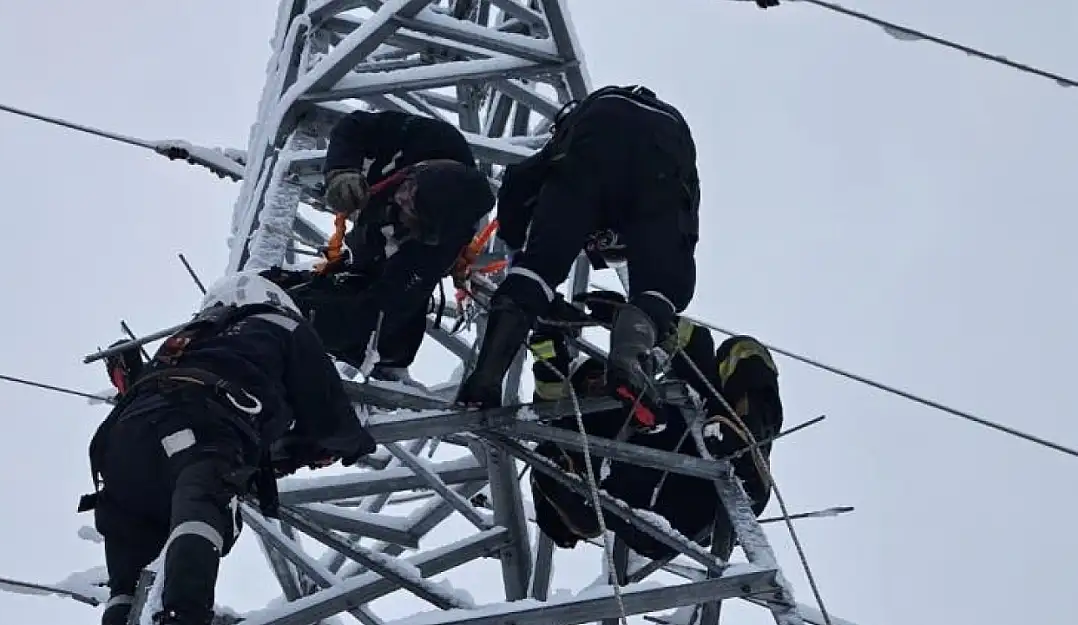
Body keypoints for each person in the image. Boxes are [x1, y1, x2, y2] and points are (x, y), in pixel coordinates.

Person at [78, 271, 378, 625]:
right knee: (202, 499)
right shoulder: (279, 322)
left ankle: (122, 611)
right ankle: (183, 615)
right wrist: (355, 443)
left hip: (120, 442)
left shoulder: (189, 339)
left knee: (131, 539)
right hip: (199, 419)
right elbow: (328, 414)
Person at [456, 84, 701, 431]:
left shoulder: (572, 145)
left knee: (539, 268)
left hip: (595, 134)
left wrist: (518, 250)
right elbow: (682, 226)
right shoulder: (649, 210)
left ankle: (487, 375)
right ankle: (629, 362)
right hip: (666, 150)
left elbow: (518, 182)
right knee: (663, 289)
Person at [527, 307, 783, 559]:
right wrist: (543, 333)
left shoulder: (659, 393)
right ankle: (583, 508)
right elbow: (550, 391)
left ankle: (746, 449)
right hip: (659, 516)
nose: (598, 384)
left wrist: (641, 318)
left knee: (742, 351)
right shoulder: (577, 430)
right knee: (548, 460)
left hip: (715, 456)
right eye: (588, 382)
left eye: (600, 375)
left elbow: (695, 342)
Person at [270, 109, 495, 380]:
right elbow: (354, 125)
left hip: (388, 257)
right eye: (408, 193)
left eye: (408, 208)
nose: (401, 199)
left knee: (381, 326)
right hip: (377, 205)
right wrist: (341, 170)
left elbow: (384, 307)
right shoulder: (432, 138)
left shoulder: (433, 252)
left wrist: (307, 318)